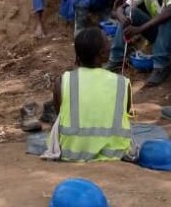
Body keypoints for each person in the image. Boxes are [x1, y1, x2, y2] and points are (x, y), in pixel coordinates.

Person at [53, 28, 133, 162]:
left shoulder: (62, 81)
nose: (110, 45)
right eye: (108, 42)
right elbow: (125, 113)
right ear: (102, 54)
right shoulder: (122, 83)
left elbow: (60, 115)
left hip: (72, 153)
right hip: (115, 154)